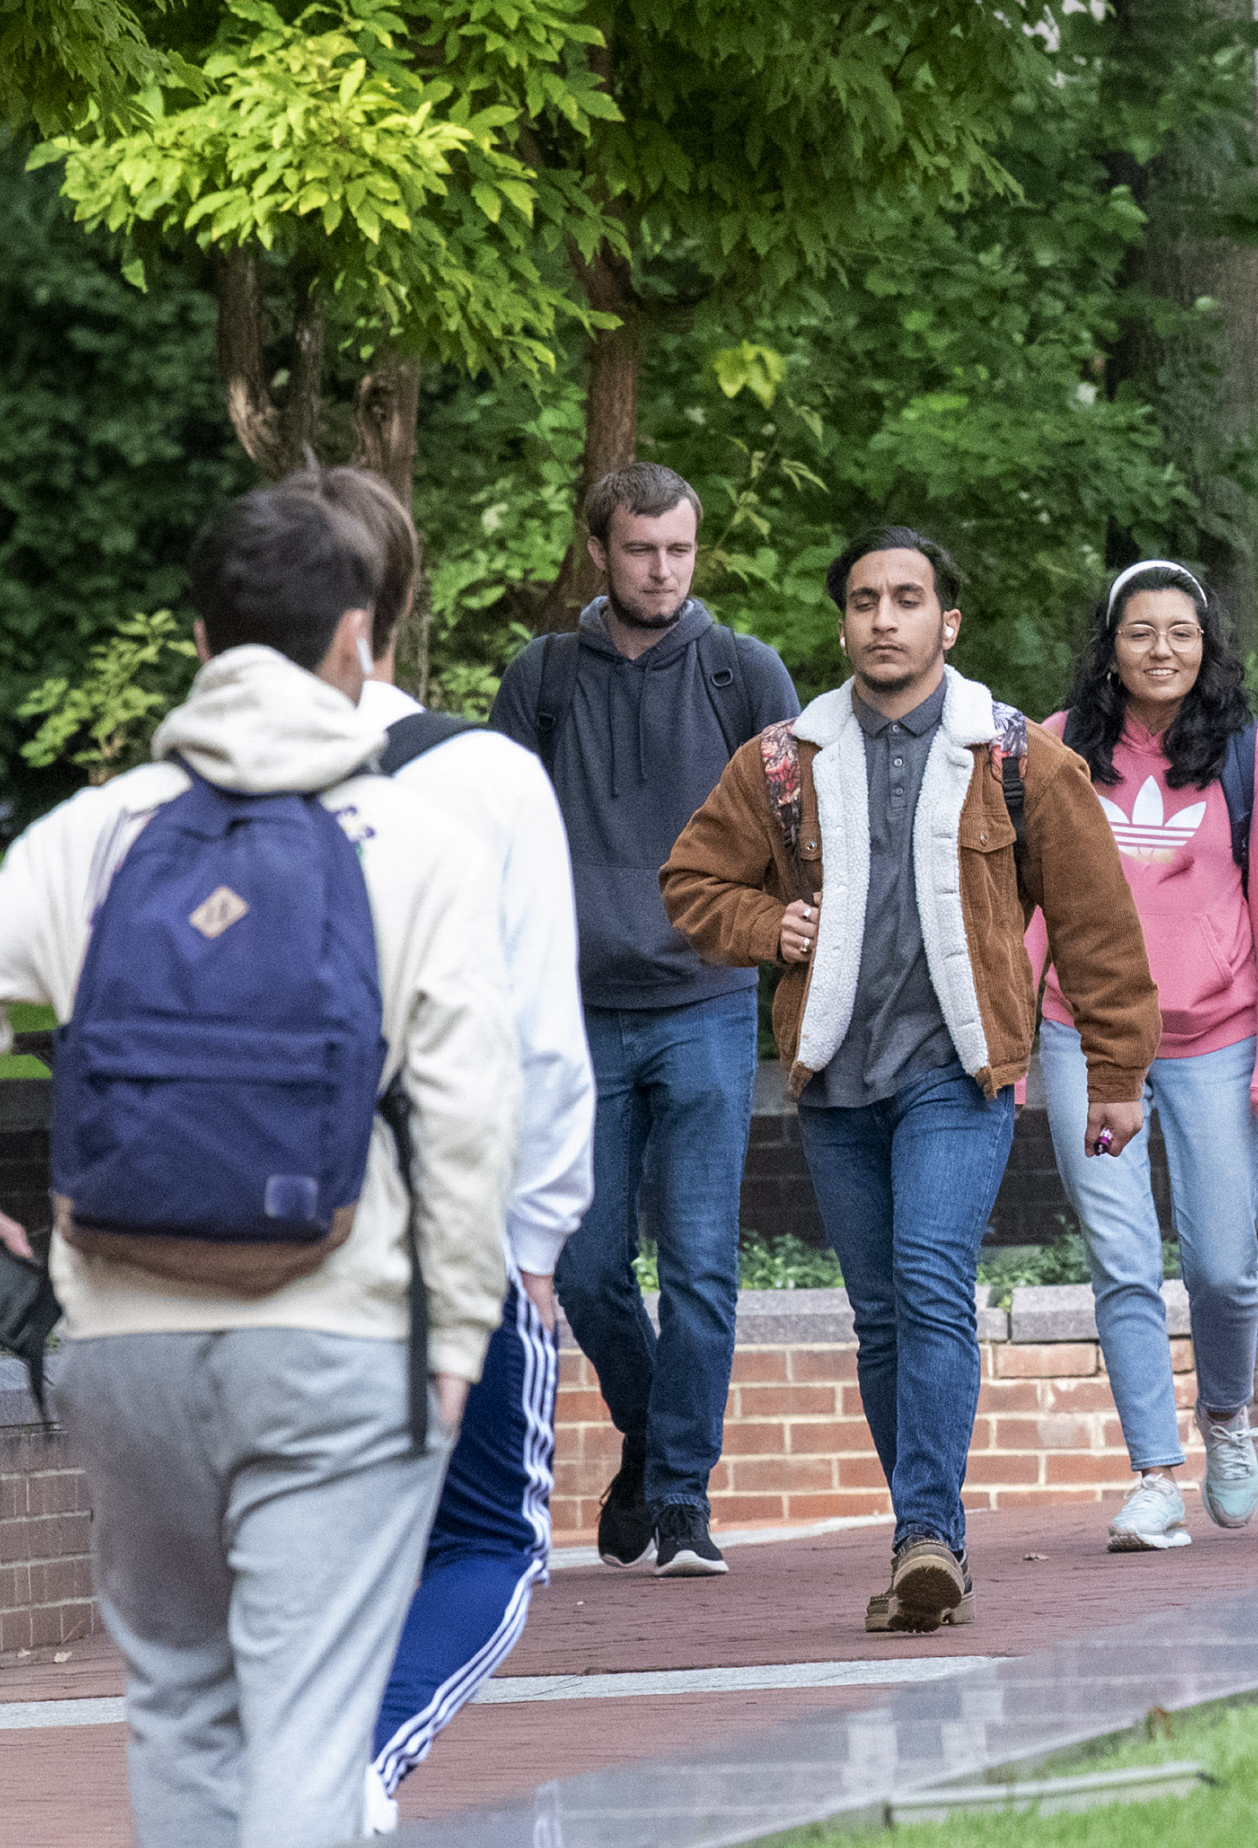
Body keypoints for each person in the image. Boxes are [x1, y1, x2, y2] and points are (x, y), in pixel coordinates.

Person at [0, 486, 518, 1848]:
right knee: (306, 1716)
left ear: (198, 637)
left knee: (179, 1699)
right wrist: (459, 1324)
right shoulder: (413, 843)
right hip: (341, 1334)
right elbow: (471, 1108)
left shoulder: (94, 836)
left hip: (121, 1337)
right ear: (357, 640)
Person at [661, 526, 1159, 1631]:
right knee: (880, 1319)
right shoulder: (784, 761)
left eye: (908, 598)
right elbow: (691, 881)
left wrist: (1119, 1072)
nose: (885, 618)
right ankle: (923, 1539)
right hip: (836, 1083)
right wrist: (762, 921)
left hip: (960, 1075)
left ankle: (928, 1537)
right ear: (842, 622)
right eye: (865, 601)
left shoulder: (1017, 757)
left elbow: (1097, 924)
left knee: (930, 1288)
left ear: (950, 622)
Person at [292, 467, 595, 1827]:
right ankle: (348, 1771)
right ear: (398, 607)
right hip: (427, 1224)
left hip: (230, 1232)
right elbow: (538, 1034)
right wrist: (534, 1239)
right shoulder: (484, 779)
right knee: (489, 1535)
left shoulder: (185, 782)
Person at [486, 463, 800, 1577]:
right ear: (600, 552)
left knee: (703, 1265)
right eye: (640, 550)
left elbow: (806, 835)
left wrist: (775, 937)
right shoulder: (543, 679)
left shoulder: (744, 673)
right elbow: (497, 847)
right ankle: (648, 1431)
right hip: (572, 1014)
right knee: (582, 1271)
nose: (662, 570)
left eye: (679, 549)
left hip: (707, 1003)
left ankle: (678, 1501)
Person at [1022, 562, 1258, 1551]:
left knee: (1224, 1266)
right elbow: (1033, 899)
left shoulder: (1250, 752)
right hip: (1081, 1034)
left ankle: (1226, 1417)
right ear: (1111, 645)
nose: (1162, 650)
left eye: (1181, 632)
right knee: (1124, 1260)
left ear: (1205, 642)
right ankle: (1152, 1475)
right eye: (1141, 632)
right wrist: (1018, 1038)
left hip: (1216, 1040)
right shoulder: (1055, 748)